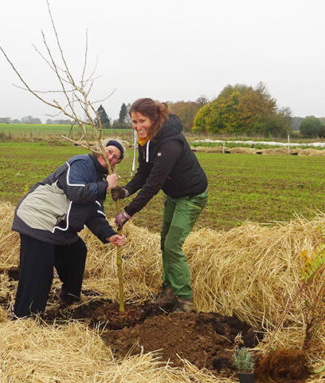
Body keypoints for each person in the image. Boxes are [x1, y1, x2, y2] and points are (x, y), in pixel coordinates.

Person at [112, 98, 208, 313]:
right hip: (173, 195)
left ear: (155, 119)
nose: (137, 127)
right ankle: (169, 291)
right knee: (165, 242)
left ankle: (185, 300)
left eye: (142, 121)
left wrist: (127, 212)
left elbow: (153, 184)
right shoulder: (145, 138)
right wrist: (126, 190)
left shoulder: (170, 143)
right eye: (134, 122)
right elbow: (144, 172)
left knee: (173, 245)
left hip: (191, 196)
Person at [11, 140, 126, 318]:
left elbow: (94, 213)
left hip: (57, 226)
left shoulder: (98, 179)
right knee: (39, 273)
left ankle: (70, 299)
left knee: (76, 252)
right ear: (99, 149)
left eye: (115, 157)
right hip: (39, 219)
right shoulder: (82, 163)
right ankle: (25, 318)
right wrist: (106, 186)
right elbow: (76, 191)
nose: (110, 157)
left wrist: (110, 235)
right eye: (109, 151)